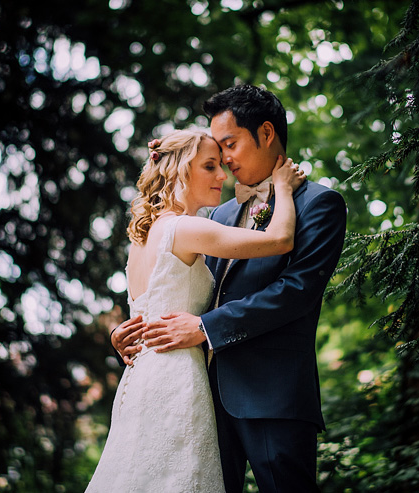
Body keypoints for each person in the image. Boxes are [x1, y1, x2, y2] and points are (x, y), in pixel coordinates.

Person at [113, 85, 348, 493]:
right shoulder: (217, 212)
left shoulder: (320, 205)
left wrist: (205, 328)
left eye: (230, 144)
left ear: (267, 133)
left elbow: (295, 291)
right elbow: (176, 282)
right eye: (217, 150)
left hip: (272, 396)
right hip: (199, 397)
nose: (224, 159)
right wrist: (131, 328)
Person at [86, 128, 306, 492]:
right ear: (178, 171)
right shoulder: (183, 228)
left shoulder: (143, 236)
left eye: (221, 165)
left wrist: (118, 333)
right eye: (209, 166)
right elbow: (279, 240)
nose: (223, 175)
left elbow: (149, 305)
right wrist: (282, 188)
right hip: (176, 377)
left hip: (141, 377)